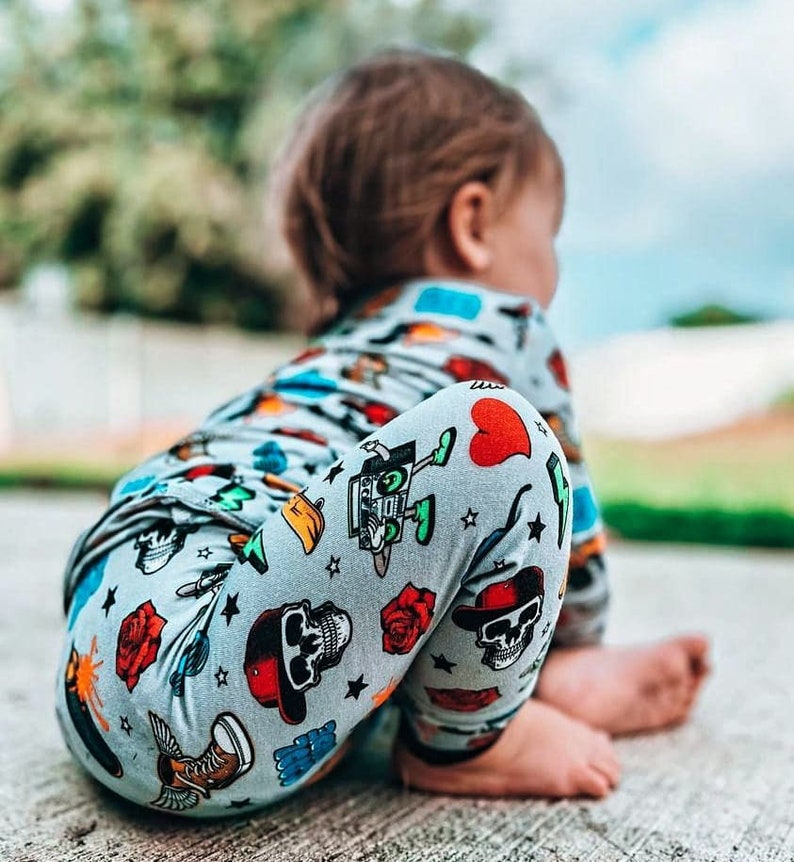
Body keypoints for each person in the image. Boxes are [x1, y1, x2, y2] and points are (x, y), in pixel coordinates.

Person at [55, 46, 710, 818]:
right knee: (501, 437)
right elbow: (569, 539)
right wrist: (571, 646)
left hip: (101, 666)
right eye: (550, 234)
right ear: (473, 225)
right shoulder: (507, 327)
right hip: (212, 693)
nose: (554, 269)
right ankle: (466, 745)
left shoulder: (328, 356)